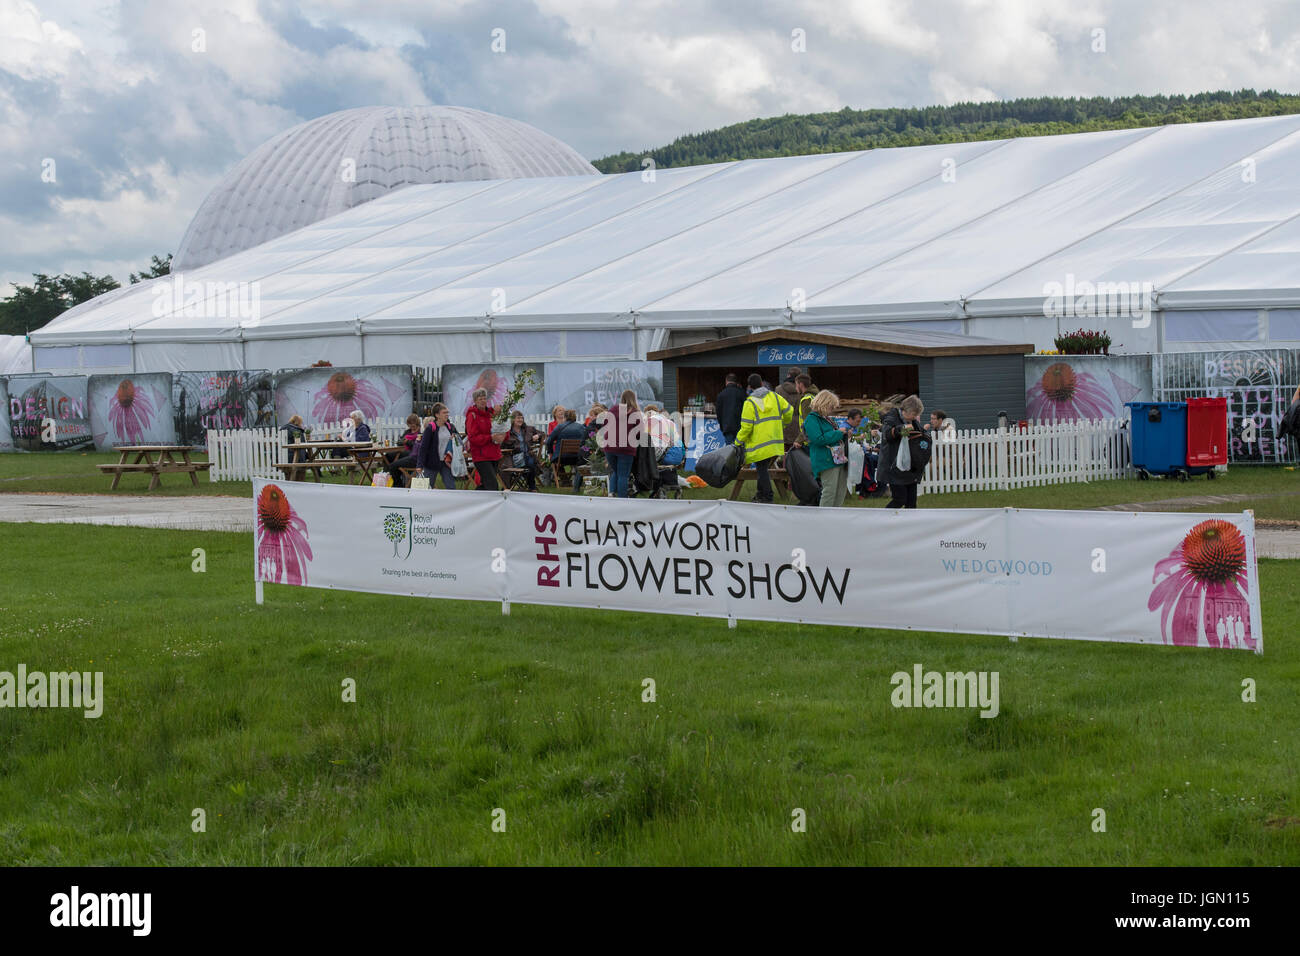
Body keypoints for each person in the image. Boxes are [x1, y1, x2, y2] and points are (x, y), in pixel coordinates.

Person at [736, 373, 793, 503]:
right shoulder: (775, 397)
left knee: (762, 470)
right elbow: (789, 411)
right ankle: (761, 494)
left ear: (750, 387)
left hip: (759, 444)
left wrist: (737, 442)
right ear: (762, 383)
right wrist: (782, 424)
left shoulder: (749, 403)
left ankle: (767, 497)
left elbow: (746, 428)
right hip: (775, 443)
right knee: (763, 470)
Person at [877, 394, 926, 509]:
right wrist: (901, 429)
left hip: (909, 467)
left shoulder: (913, 422)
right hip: (894, 467)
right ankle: (883, 521)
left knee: (911, 503)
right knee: (899, 499)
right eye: (914, 414)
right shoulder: (890, 418)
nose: (915, 418)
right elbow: (888, 435)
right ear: (906, 411)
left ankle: (910, 526)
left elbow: (920, 433)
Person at [803, 389, 850, 508]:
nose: (832, 409)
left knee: (840, 491)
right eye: (831, 406)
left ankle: (834, 518)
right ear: (824, 403)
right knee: (829, 492)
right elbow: (818, 439)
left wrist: (844, 434)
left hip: (837, 459)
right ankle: (824, 519)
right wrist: (839, 433)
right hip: (825, 460)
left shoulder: (828, 419)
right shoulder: (811, 419)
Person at [601, 389, 642, 498]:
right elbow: (639, 433)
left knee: (617, 471)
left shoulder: (613, 409)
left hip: (609, 447)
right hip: (626, 448)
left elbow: (605, 426)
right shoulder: (635, 413)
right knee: (623, 475)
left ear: (622, 398)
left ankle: (611, 493)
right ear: (634, 399)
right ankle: (622, 499)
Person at [465, 388, 503, 490]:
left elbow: (502, 428)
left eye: (484, 398)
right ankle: (492, 505)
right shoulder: (472, 415)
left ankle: (474, 501)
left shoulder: (492, 414)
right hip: (481, 456)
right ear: (475, 401)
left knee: (485, 485)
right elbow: (472, 438)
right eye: (479, 399)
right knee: (492, 485)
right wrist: (490, 437)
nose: (482, 401)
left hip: (494, 453)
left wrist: (501, 436)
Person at [417, 403, 459, 489]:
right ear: (437, 415)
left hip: (446, 462)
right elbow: (423, 448)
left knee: (451, 487)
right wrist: (419, 465)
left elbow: (458, 441)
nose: (447, 414)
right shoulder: (430, 428)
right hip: (431, 462)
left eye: (447, 412)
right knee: (427, 487)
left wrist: (454, 438)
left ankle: (453, 502)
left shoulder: (450, 427)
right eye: (444, 413)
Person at [500, 409, 544, 491]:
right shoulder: (508, 432)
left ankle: (531, 486)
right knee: (530, 460)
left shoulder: (528, 429)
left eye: (521, 418)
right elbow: (501, 446)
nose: (520, 420)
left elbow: (543, 433)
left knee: (529, 459)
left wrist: (537, 435)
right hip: (514, 458)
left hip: (527, 456)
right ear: (513, 420)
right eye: (518, 418)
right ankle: (532, 486)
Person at [546, 408, 589, 492]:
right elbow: (586, 441)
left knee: (555, 462)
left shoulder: (559, 427)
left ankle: (565, 482)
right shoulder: (581, 427)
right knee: (581, 464)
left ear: (565, 417)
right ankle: (575, 485)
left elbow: (549, 441)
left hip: (561, 458)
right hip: (577, 458)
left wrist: (550, 452)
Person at [386, 413, 423, 487]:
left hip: (412, 454)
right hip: (403, 452)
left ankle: (398, 484)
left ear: (417, 423)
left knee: (394, 464)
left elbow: (417, 446)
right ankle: (389, 475)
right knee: (387, 456)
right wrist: (402, 441)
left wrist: (408, 442)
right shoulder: (407, 432)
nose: (411, 426)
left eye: (413, 424)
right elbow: (399, 442)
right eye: (410, 424)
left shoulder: (420, 433)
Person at [715, 373, 745, 445]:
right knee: (741, 452)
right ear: (736, 382)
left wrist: (723, 427)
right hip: (740, 428)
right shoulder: (741, 393)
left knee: (729, 452)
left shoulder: (721, 394)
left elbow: (718, 413)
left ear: (726, 381)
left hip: (727, 428)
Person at [777, 368, 802, 445]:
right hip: (798, 426)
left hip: (782, 425)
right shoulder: (802, 389)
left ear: (788, 375)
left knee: (783, 453)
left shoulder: (778, 389)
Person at [793, 372, 819, 445]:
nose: (795, 388)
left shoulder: (807, 399)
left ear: (801, 384)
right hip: (814, 437)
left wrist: (799, 440)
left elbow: (808, 422)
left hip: (809, 439)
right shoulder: (814, 396)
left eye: (796, 385)